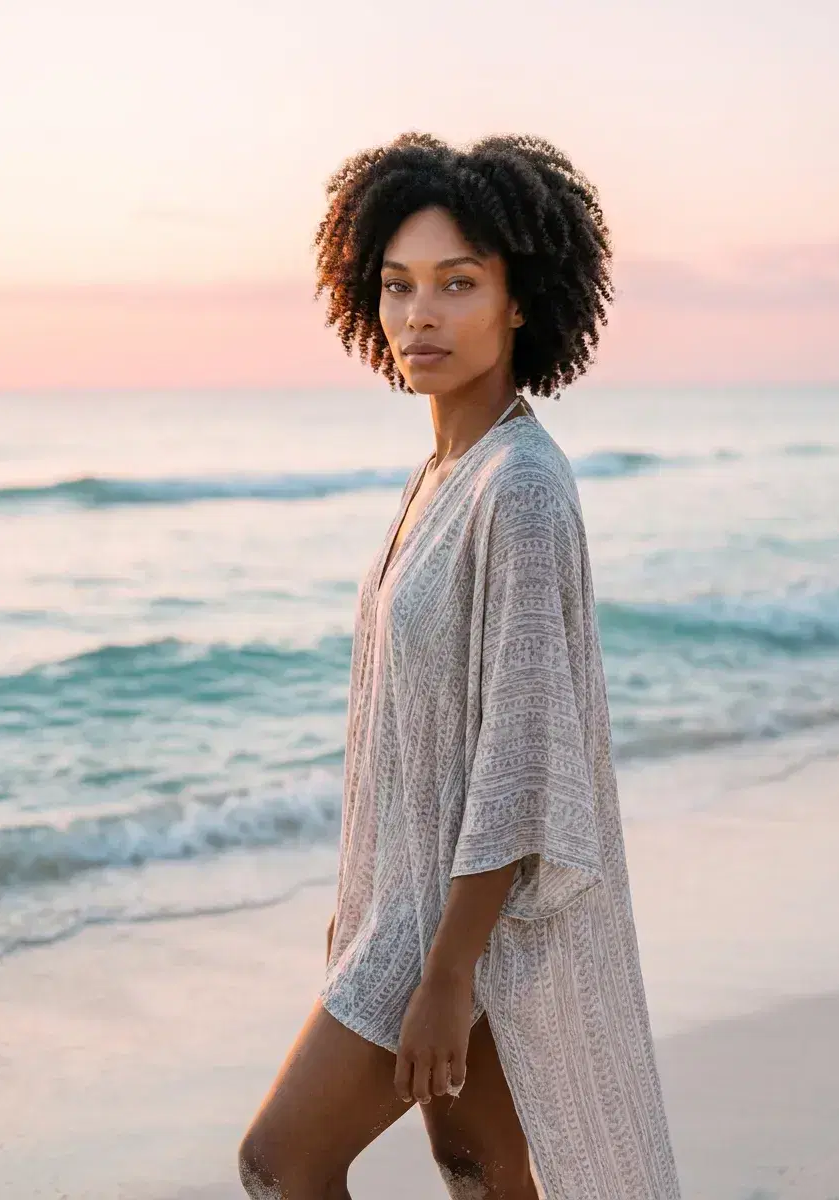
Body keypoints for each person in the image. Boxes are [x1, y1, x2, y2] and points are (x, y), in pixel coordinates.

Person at [238, 132, 681, 1199]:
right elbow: (403, 728)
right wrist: (366, 892)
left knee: (278, 1165)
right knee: (479, 1170)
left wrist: (443, 972)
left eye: (456, 284)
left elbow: (519, 753)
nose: (418, 316)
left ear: (518, 302)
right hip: (413, 909)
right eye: (395, 286)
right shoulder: (445, 475)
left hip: (463, 929)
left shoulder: (515, 491)